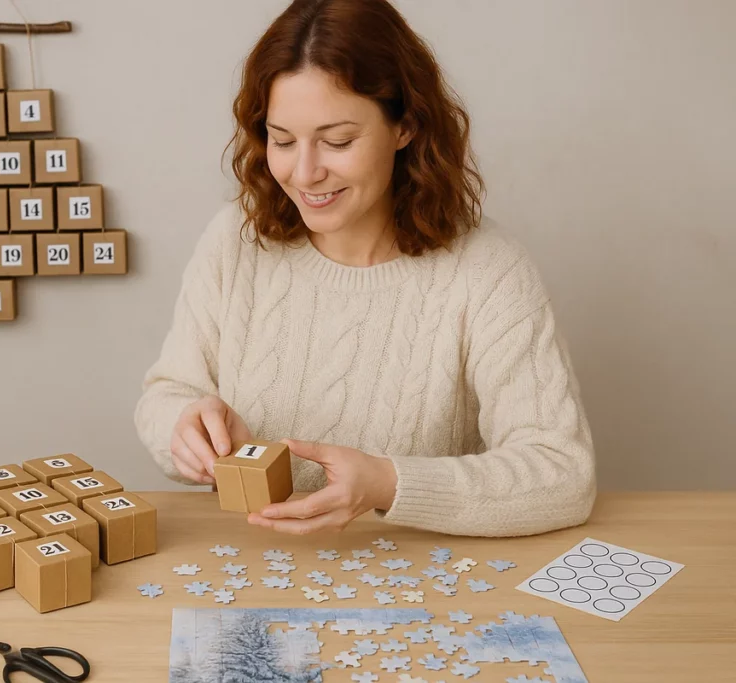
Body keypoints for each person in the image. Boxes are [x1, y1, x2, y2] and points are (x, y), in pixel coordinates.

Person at [134, 0, 595, 537]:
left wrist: (386, 483)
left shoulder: (488, 269)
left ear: (405, 126)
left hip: (420, 584)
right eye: (282, 140)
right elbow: (167, 393)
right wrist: (183, 426)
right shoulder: (236, 240)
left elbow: (562, 474)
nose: (304, 172)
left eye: (337, 141)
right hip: (252, 566)